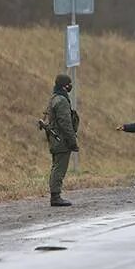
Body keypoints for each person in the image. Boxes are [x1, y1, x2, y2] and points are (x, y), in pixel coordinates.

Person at [45, 74, 79, 207]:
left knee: (56, 167)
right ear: (65, 85)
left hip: (55, 139)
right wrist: (72, 141)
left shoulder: (54, 98)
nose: (71, 86)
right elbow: (66, 123)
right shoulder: (62, 101)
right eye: (69, 84)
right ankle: (56, 196)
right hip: (61, 140)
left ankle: (55, 195)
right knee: (59, 168)